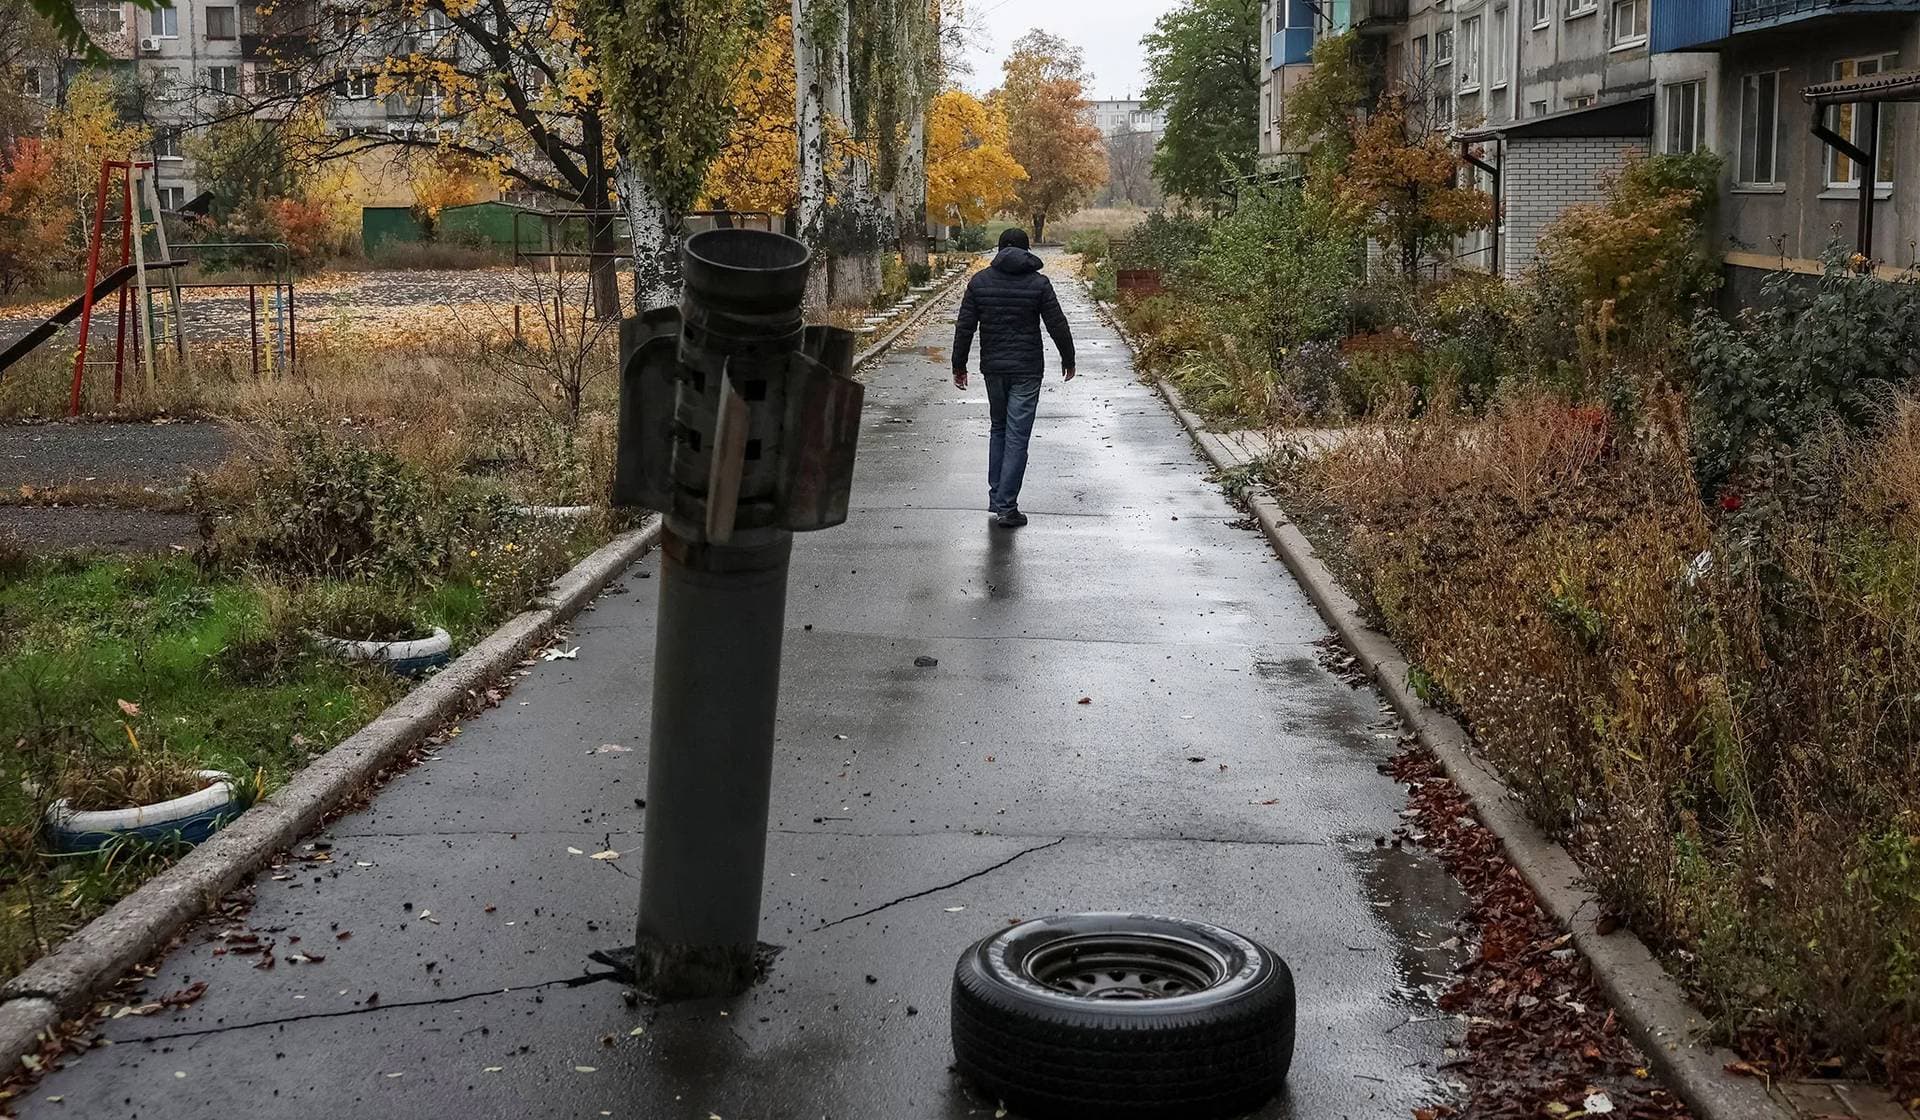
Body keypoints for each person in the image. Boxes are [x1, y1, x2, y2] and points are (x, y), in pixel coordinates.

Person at [951, 228, 1076, 528]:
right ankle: (1007, 507)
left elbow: (965, 326)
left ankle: (998, 498)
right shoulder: (1038, 283)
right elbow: (1057, 324)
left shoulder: (979, 282)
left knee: (999, 428)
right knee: (1017, 435)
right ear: (1027, 250)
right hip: (1027, 369)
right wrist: (1068, 358)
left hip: (993, 368)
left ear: (998, 249)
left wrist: (959, 365)